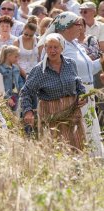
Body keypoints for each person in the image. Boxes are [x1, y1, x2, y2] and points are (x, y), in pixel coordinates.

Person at [38, 12, 104, 156]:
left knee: (90, 126)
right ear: (66, 27)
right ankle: (80, 161)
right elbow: (49, 70)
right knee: (77, 131)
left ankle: (94, 161)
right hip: (72, 95)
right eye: (78, 24)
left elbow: (88, 69)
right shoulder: (56, 44)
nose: (81, 27)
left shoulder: (75, 44)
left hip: (88, 92)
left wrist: (100, 62)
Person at [21, 33, 87, 151]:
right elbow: (26, 91)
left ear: (62, 48)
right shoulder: (39, 70)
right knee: (56, 149)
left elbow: (78, 83)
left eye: (55, 47)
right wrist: (28, 111)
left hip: (72, 113)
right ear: (45, 49)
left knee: (78, 147)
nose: (52, 50)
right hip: (52, 115)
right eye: (49, 47)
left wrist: (83, 95)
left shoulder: (70, 64)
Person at [0, 45, 23, 113]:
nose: (17, 59)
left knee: (16, 114)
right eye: (15, 56)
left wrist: (21, 89)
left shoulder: (16, 68)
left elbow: (19, 80)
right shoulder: (0, 69)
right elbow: (0, 86)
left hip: (16, 96)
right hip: (5, 98)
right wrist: (7, 98)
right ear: (8, 55)